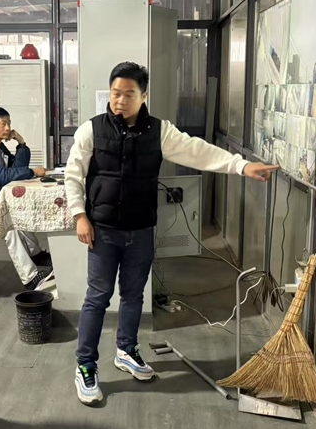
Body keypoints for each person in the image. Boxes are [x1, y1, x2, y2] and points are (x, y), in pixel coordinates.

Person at [65, 62, 278, 406]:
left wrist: (241, 165)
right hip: (103, 231)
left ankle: (126, 350)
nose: (120, 100)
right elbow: (73, 175)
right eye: (116, 93)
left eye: (129, 94)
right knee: (98, 297)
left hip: (141, 230)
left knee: (134, 295)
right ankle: (86, 366)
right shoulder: (91, 130)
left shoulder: (159, 132)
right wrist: (79, 216)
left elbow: (199, 151)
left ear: (143, 96)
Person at [0, 107, 54, 290]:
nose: (8, 128)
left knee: (19, 214)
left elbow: (16, 169)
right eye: (3, 124)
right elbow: (2, 175)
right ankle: (30, 278)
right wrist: (32, 172)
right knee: (10, 225)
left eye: (9, 124)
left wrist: (21, 144)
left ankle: (37, 255)